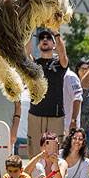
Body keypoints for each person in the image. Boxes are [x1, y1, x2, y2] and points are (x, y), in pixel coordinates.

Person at [25, 29, 69, 158]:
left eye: (48, 38)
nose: (45, 39)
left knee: (54, 153)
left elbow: (63, 56)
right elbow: (26, 54)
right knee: (35, 152)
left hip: (55, 116)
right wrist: (30, 32)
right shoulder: (35, 64)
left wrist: (56, 33)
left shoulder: (59, 64)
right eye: (42, 38)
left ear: (54, 44)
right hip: (35, 114)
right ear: (38, 45)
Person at [76, 58, 89, 144]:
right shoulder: (73, 84)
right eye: (82, 69)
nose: (84, 71)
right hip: (75, 125)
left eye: (87, 69)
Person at [62, 66, 83, 135]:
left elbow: (77, 99)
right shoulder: (58, 76)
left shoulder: (70, 76)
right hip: (58, 123)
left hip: (69, 126)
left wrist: (73, 121)